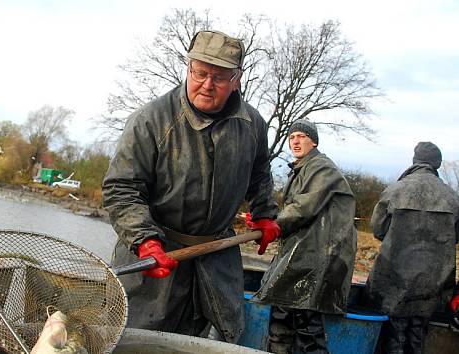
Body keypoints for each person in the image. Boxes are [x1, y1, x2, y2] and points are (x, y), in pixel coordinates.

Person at [101, 30, 279, 344]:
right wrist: (144, 240)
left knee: (211, 340)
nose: (207, 85)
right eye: (200, 73)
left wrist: (264, 213)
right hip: (156, 254)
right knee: (137, 341)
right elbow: (121, 188)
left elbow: (260, 172)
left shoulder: (252, 124)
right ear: (188, 68)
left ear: (236, 79)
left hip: (216, 255)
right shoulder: (150, 121)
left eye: (220, 78)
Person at [251, 119, 357, 354]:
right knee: (282, 315)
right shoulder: (302, 168)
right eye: (292, 137)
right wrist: (266, 221)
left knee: (306, 325)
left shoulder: (322, 168)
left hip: (317, 258)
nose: (295, 141)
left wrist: (274, 226)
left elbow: (303, 207)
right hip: (301, 254)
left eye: (301, 136)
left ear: (314, 141)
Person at [362, 142, 459, 354]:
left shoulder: (395, 189)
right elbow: (456, 237)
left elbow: (378, 229)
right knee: (418, 335)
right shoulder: (453, 197)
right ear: (437, 164)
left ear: (415, 160)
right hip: (434, 282)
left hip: (394, 279)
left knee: (394, 334)